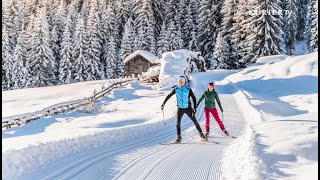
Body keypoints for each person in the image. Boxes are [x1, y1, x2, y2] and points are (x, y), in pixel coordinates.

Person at [161, 76, 206, 143]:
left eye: (182, 81)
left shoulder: (188, 89)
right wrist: (163, 103)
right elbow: (169, 95)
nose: (181, 83)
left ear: (184, 82)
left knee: (195, 121)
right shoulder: (176, 89)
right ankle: (179, 138)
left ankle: (201, 134)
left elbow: (194, 98)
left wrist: (195, 108)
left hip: (188, 108)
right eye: (180, 81)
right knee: (177, 123)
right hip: (180, 108)